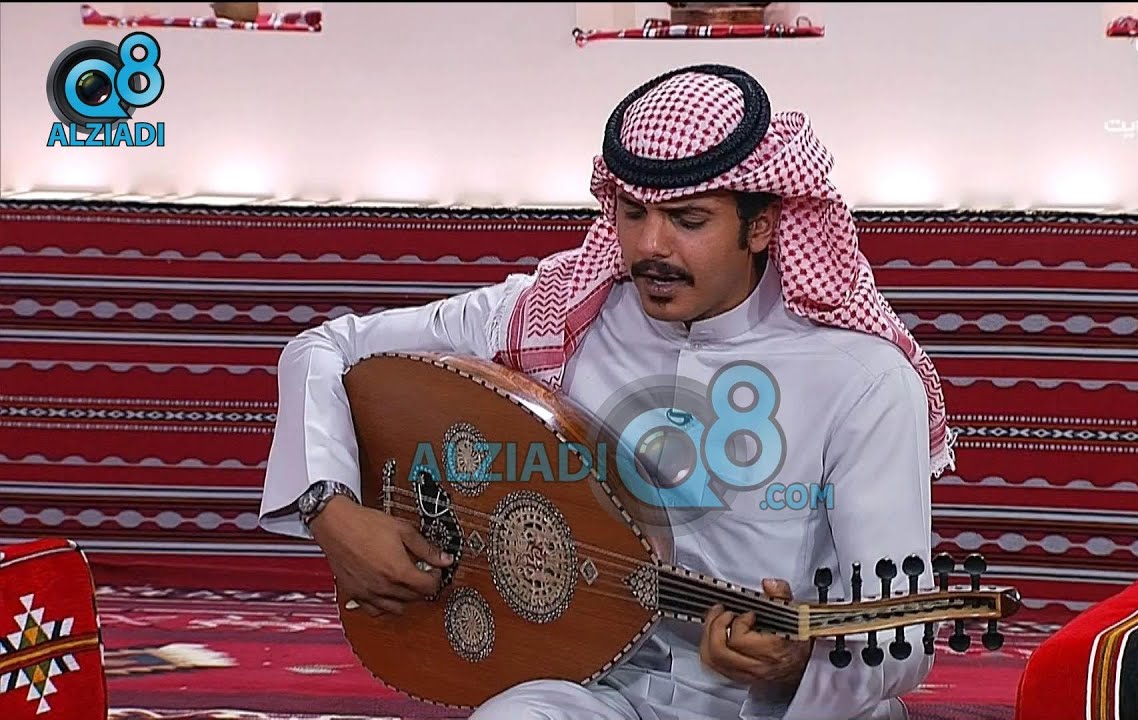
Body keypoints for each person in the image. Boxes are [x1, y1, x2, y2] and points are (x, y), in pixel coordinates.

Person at [258, 63, 955, 720]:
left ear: (763, 223)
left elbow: (898, 637)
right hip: (593, 686)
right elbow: (325, 348)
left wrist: (794, 664)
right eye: (631, 212)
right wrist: (332, 513)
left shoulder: (861, 380)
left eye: (688, 219)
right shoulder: (560, 312)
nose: (650, 246)